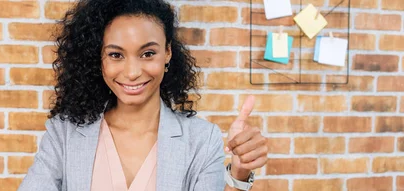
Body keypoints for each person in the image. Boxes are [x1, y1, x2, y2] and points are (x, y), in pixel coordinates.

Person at [18, 0, 268, 190]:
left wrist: (239, 174)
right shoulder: (64, 134)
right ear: (99, 58)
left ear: (168, 52)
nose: (133, 72)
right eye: (116, 55)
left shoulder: (202, 140)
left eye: (147, 53)